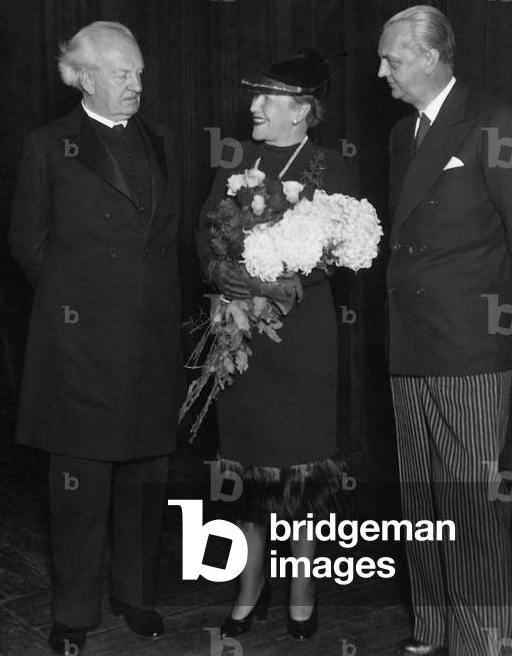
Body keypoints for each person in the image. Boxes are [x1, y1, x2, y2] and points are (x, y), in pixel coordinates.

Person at [377, 5, 512, 656]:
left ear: (428, 56)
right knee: (420, 499)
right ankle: (432, 631)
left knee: (472, 509)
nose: (380, 72)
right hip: (408, 340)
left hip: (469, 341)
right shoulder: (403, 135)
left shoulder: (493, 121)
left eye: (390, 59)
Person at [8, 21, 184, 655]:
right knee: (79, 484)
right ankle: (74, 612)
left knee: (145, 475)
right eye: (120, 73)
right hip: (80, 345)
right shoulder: (48, 144)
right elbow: (26, 240)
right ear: (83, 78)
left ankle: (136, 596)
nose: (136, 84)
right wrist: (73, 310)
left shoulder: (161, 138)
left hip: (153, 341)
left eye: (138, 72)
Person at [195, 50, 355, 641]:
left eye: (267, 98)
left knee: (305, 466)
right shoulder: (235, 159)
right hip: (241, 338)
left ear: (302, 111)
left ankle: (304, 586)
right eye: (255, 95)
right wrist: (220, 272)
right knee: (250, 461)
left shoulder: (328, 166)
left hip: (301, 338)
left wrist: (276, 281)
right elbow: (205, 231)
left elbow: (340, 248)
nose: (254, 107)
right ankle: (251, 582)